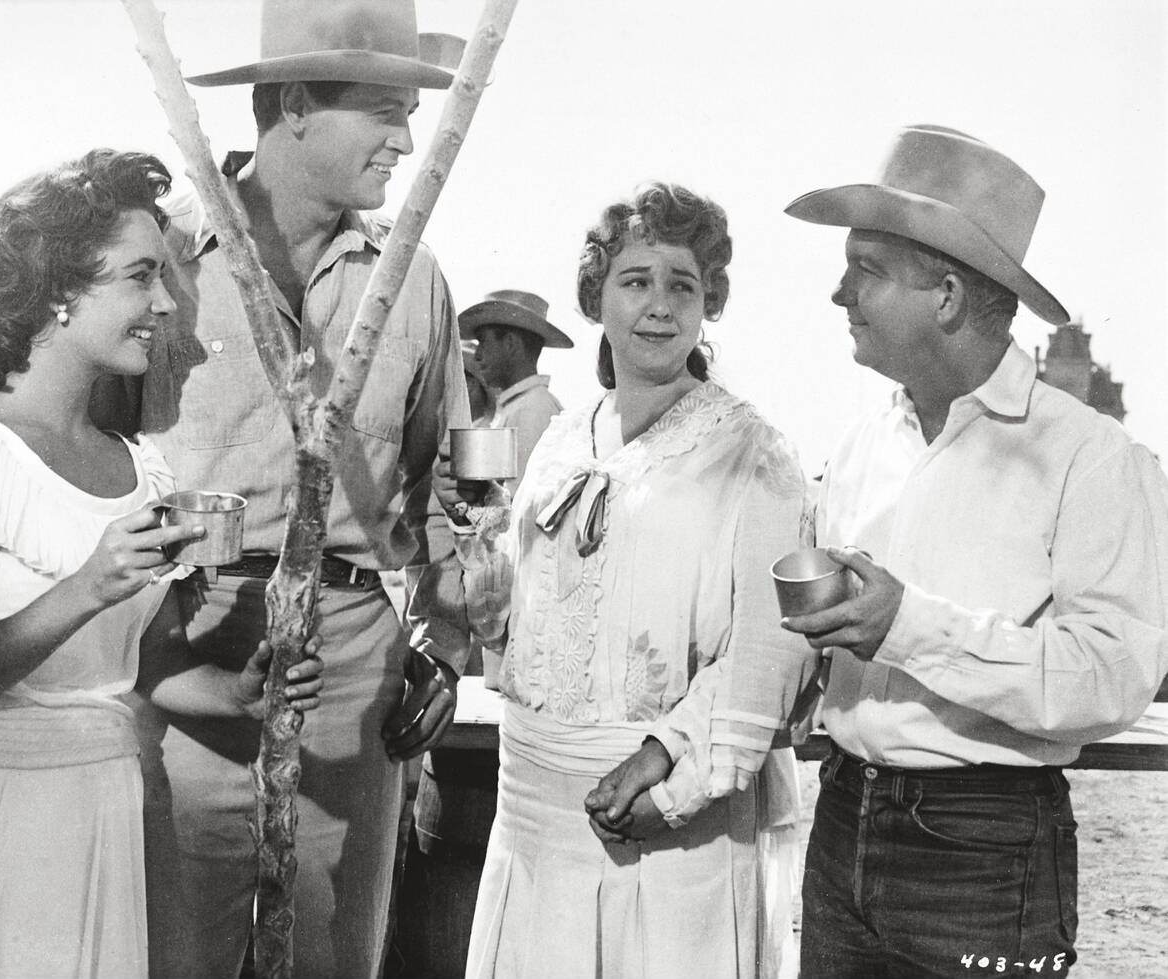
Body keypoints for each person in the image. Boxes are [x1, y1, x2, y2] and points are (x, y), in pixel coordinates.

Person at [88, 2, 475, 976]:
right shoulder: (153, 270)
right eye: (386, 109)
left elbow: (457, 488)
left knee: (333, 957)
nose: (408, 138)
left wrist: (445, 641)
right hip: (178, 657)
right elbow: (74, 478)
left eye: (414, 112)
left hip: (355, 680)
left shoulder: (417, 279)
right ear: (294, 103)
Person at [0, 149, 321, 979]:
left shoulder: (138, 464)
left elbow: (138, 665)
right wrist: (85, 587)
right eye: (142, 278)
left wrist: (232, 693)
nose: (165, 303)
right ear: (58, 291)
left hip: (109, 821)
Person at [781, 124, 1168, 978]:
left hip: (984, 855)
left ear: (948, 294)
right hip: (840, 817)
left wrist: (906, 625)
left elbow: (1111, 677)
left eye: (865, 270)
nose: (838, 294)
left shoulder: (1092, 459)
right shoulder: (859, 446)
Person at [438, 182, 819, 978]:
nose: (659, 305)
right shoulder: (560, 442)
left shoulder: (752, 453)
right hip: (533, 814)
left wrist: (674, 778)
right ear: (597, 298)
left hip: (662, 819)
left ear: (710, 300)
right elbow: (522, 623)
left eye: (683, 284)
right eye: (636, 280)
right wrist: (479, 560)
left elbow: (770, 652)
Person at [459, 289, 573, 487]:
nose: (477, 355)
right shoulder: (515, 407)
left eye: (484, 342)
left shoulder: (532, 410)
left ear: (510, 344)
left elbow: (517, 505)